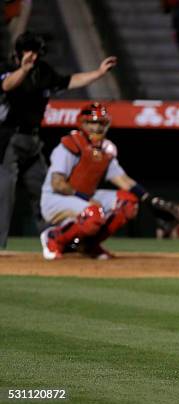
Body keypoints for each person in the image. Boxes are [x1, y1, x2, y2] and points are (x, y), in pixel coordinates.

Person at [0, 32, 117, 249]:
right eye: (29, 51)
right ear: (18, 53)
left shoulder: (43, 71)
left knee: (46, 194)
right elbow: (7, 85)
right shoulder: (6, 68)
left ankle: (54, 241)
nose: (33, 56)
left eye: (36, 52)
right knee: (4, 197)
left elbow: (69, 81)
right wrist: (23, 69)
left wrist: (98, 73)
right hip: (8, 141)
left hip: (33, 142)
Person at [39, 103, 149, 260]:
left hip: (85, 197)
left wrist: (149, 199)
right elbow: (58, 184)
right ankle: (53, 237)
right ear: (82, 123)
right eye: (92, 122)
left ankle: (89, 245)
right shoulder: (70, 145)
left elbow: (123, 180)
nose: (97, 127)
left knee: (128, 204)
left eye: (101, 123)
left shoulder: (106, 150)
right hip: (56, 199)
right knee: (94, 213)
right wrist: (87, 200)